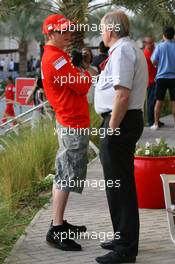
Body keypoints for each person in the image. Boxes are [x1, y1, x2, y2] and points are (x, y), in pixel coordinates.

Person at [95, 10, 148, 263]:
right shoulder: (126, 50)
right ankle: (122, 237)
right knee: (119, 185)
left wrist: (111, 129)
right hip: (124, 121)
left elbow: (122, 95)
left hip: (120, 122)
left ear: (112, 30)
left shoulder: (122, 52)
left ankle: (125, 248)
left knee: (119, 186)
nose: (101, 33)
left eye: (102, 28)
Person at [41, 14, 92, 251]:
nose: (69, 34)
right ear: (50, 33)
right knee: (65, 175)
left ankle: (59, 222)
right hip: (72, 122)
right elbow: (82, 85)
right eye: (63, 31)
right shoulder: (56, 60)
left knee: (67, 173)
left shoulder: (58, 57)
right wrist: (85, 73)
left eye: (70, 30)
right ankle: (56, 228)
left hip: (71, 121)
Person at [151, 26, 175, 130]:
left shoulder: (160, 46)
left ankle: (156, 124)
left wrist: (159, 64)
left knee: (159, 101)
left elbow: (153, 61)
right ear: (173, 35)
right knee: (174, 102)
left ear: (164, 35)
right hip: (174, 78)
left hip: (161, 77)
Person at [143, 37, 164, 127]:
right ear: (145, 43)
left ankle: (156, 120)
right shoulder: (146, 53)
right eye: (150, 43)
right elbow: (155, 63)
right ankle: (151, 121)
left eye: (153, 43)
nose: (153, 44)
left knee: (155, 101)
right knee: (151, 102)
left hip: (155, 79)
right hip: (151, 81)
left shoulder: (152, 51)